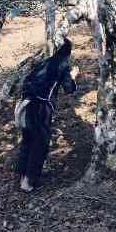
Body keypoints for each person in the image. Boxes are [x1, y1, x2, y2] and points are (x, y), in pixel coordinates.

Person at [15, 38, 79, 192]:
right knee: (40, 145)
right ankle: (28, 183)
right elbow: (69, 89)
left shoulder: (41, 62)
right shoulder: (63, 64)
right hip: (41, 109)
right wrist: (74, 75)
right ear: (67, 53)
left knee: (27, 140)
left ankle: (22, 175)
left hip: (26, 104)